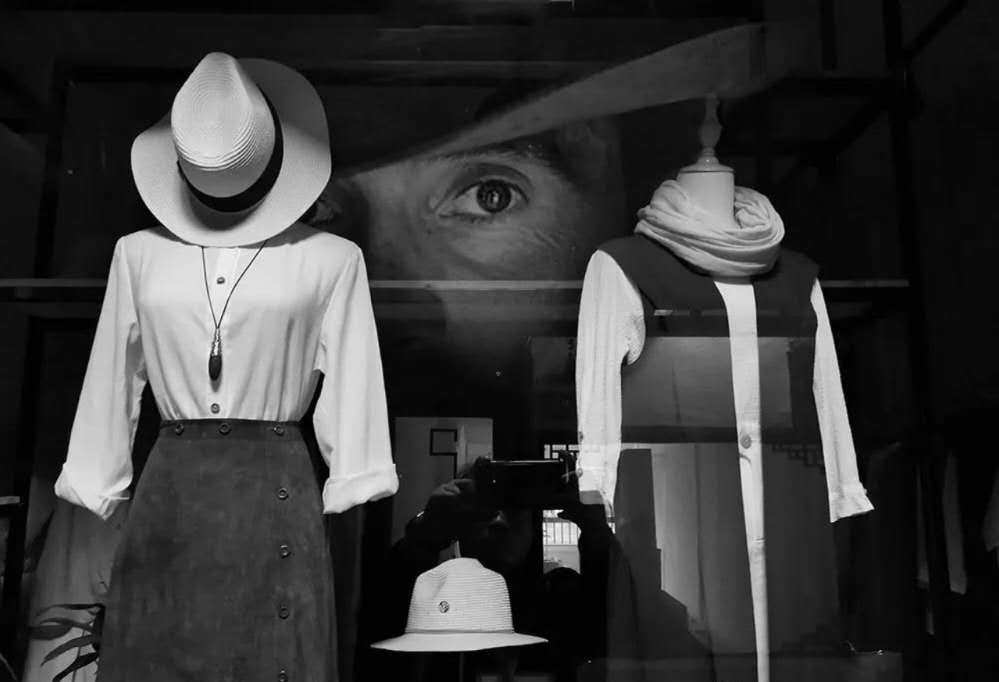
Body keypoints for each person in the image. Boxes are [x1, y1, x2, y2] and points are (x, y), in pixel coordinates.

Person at [356, 457, 616, 682]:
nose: (499, 522)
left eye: (514, 509)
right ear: (459, 521)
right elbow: (379, 623)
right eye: (486, 508)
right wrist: (425, 536)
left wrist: (595, 530)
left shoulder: (561, 596)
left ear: (533, 528)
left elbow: (616, 624)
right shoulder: (429, 598)